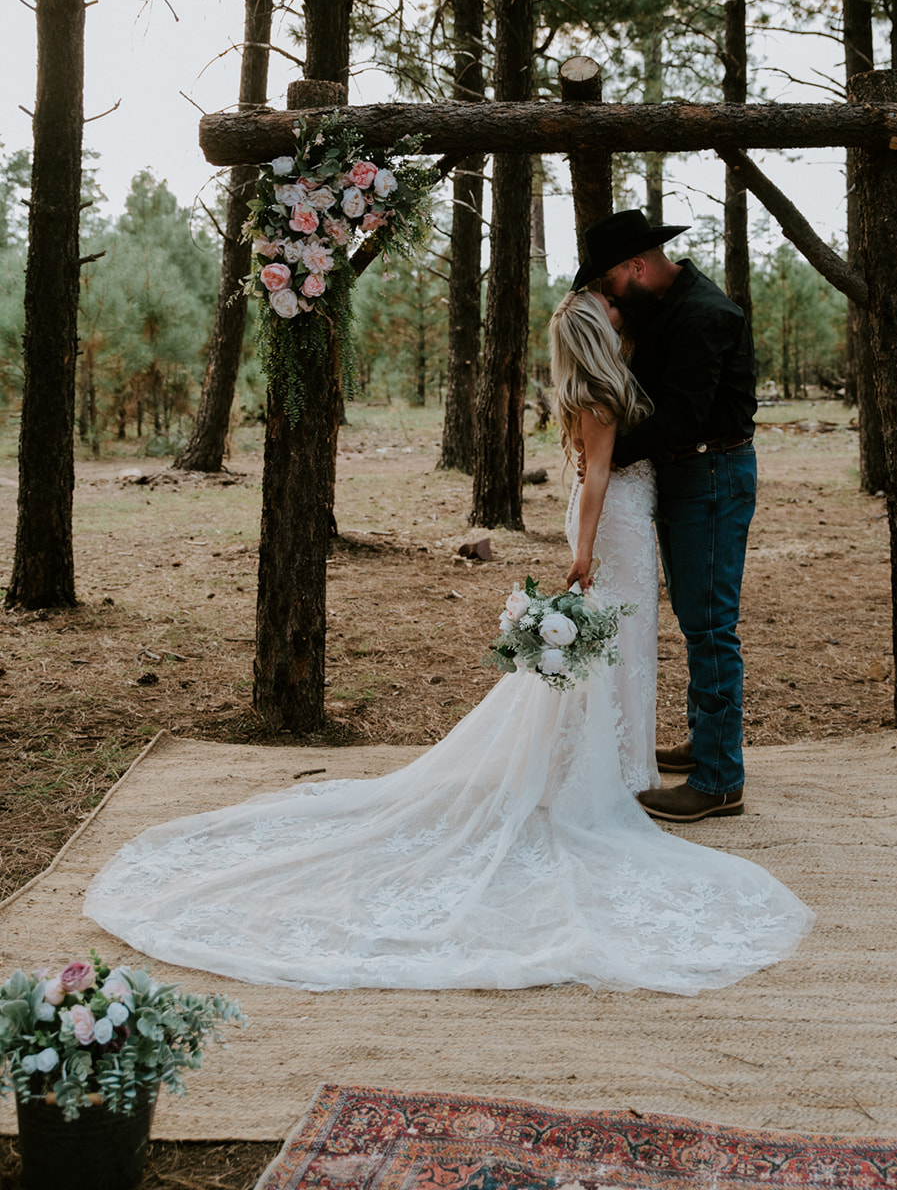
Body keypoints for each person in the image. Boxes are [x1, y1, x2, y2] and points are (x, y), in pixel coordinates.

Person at [83, 289, 810, 994]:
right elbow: (592, 479)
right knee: (613, 646)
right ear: (595, 332)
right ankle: (608, 772)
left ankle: (618, 758)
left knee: (620, 648)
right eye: (612, 310)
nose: (624, 313)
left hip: (623, 520)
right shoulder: (595, 391)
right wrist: (582, 553)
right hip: (609, 529)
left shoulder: (610, 378)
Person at [571, 209, 757, 825]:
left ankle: (719, 780)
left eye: (608, 284)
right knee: (692, 612)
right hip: (682, 475)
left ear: (637, 266)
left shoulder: (706, 315)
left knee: (710, 625)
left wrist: (605, 454)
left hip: (712, 474)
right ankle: (707, 744)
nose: (606, 297)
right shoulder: (660, 308)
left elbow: (682, 415)